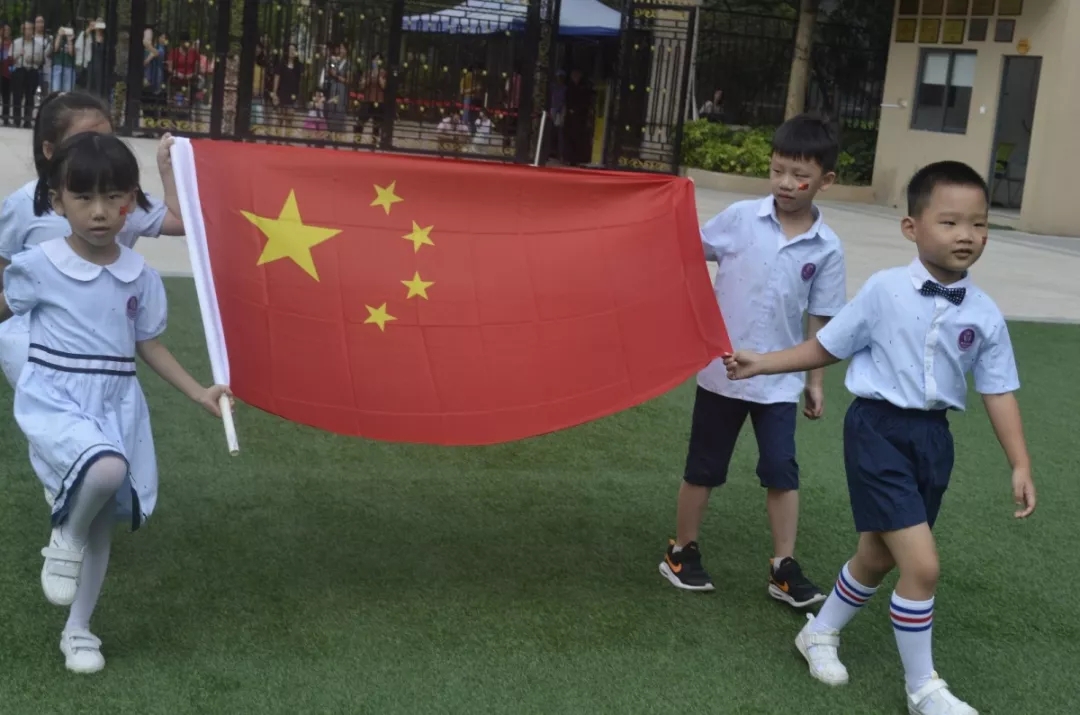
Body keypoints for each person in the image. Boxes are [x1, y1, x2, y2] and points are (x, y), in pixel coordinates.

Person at [722, 160, 1036, 714]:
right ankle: (923, 689)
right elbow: (828, 346)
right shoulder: (884, 290)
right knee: (923, 566)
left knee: (877, 555)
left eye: (979, 224)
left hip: (932, 440)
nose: (966, 235)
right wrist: (763, 362)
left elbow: (998, 390)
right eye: (950, 222)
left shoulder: (985, 314)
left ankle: (818, 633)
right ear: (912, 228)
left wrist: (1020, 463)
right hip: (876, 431)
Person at [1, 131, 231, 674]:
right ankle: (65, 537)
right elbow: (6, 308)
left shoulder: (140, 276)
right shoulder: (39, 264)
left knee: (102, 518)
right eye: (83, 198)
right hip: (57, 395)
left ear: (131, 201)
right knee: (107, 469)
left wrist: (199, 390)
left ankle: (79, 629)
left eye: (113, 197)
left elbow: (148, 344)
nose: (100, 212)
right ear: (57, 201)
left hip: (115, 399)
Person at [659, 112, 846, 609]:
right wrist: (660, 211)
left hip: (778, 381)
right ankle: (681, 551)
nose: (785, 183)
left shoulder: (827, 247)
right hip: (720, 374)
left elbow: (821, 320)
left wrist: (815, 382)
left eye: (799, 175)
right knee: (704, 467)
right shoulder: (741, 218)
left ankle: (783, 566)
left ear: (825, 181)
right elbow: (685, 247)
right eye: (777, 170)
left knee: (782, 470)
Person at [0, 90, 185, 387]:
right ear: (50, 150)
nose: (99, 213)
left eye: (107, 139)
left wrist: (168, 172)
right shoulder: (24, 204)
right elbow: (5, 266)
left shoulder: (121, 201)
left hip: (104, 343)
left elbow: (180, 221)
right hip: (33, 343)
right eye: (84, 140)